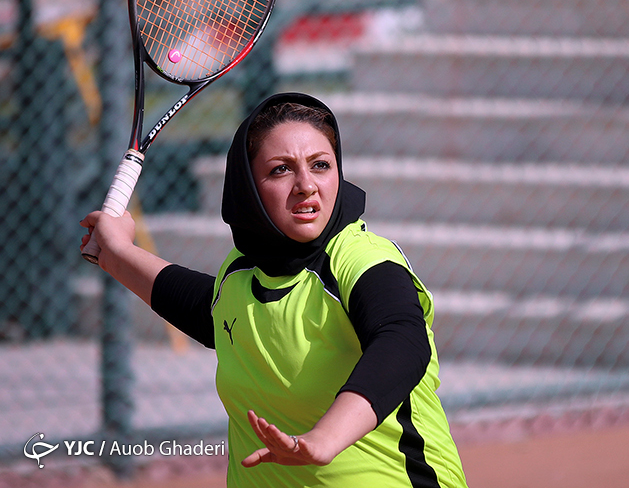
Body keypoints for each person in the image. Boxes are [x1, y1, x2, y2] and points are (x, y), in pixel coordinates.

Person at [81, 92, 468, 488]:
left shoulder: (362, 260)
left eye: (320, 165)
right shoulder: (241, 271)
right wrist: (118, 253)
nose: (306, 186)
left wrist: (324, 439)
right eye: (281, 170)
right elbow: (211, 311)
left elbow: (403, 341)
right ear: (247, 186)